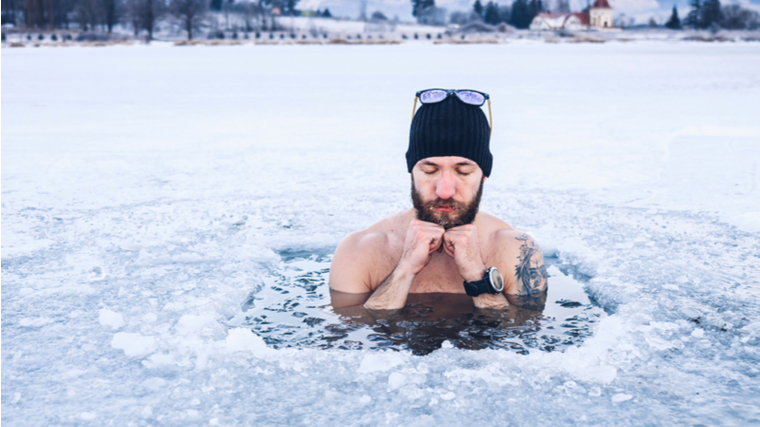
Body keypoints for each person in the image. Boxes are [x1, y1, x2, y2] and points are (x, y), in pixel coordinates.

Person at [329, 89, 548, 311]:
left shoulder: (516, 250)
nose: (444, 190)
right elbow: (349, 337)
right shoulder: (358, 251)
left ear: (483, 176)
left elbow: (524, 336)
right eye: (430, 170)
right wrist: (404, 270)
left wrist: (477, 276)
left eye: (463, 172)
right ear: (411, 172)